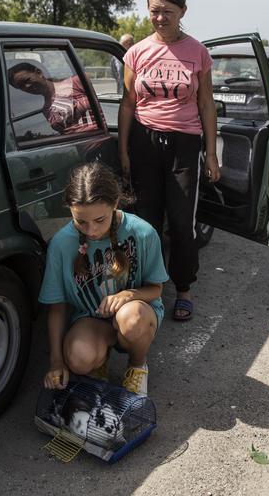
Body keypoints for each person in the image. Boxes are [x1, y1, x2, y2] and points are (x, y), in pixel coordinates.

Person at [118, 0, 221, 322]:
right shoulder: (136, 52)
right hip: (144, 141)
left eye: (167, 12)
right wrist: (124, 150)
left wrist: (211, 152)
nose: (160, 18)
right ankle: (148, 287)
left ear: (183, 12)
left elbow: (206, 104)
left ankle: (184, 288)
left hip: (184, 145)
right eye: (154, 11)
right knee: (145, 221)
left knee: (180, 222)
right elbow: (128, 103)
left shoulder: (198, 53)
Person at [40, 162, 169, 397]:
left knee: (133, 319)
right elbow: (56, 308)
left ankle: (137, 366)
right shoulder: (61, 244)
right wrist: (56, 361)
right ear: (70, 210)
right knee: (78, 358)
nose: (91, 231)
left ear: (115, 204)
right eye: (81, 221)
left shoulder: (143, 232)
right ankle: (99, 360)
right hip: (91, 319)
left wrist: (129, 295)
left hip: (135, 315)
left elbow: (156, 289)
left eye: (100, 220)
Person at [6, 60, 96, 134]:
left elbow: (98, 104)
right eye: (21, 86)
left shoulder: (76, 82)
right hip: (82, 151)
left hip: (100, 144)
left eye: (27, 80)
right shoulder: (46, 110)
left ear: (39, 72)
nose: (27, 86)